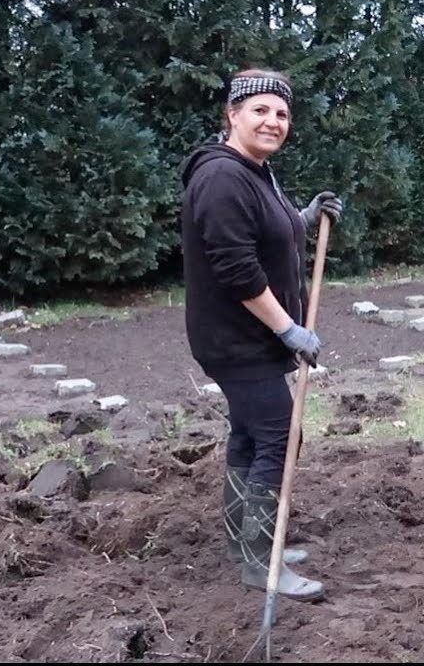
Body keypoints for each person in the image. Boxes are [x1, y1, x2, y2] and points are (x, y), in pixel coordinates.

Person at [180, 68, 343, 601]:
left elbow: (264, 231)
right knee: (279, 435)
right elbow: (238, 270)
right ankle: (259, 560)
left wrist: (304, 216)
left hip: (245, 339)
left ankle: (249, 543)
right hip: (238, 341)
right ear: (232, 115)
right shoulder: (223, 177)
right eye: (260, 111)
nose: (273, 121)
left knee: (252, 436)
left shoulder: (252, 171)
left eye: (282, 113)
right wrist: (290, 329)